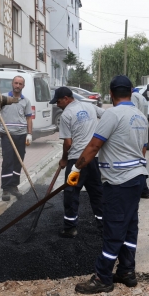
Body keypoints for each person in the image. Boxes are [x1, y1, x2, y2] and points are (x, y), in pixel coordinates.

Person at [68, 75, 148, 294]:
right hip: (138, 178)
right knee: (130, 226)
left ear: (111, 94)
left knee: (113, 228)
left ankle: (103, 278)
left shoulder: (112, 114)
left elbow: (94, 146)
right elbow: (143, 149)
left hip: (119, 181)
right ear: (130, 92)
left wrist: (76, 169)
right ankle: (126, 271)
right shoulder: (140, 116)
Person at [51, 87, 105, 238]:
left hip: (77, 162)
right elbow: (107, 116)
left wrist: (64, 159)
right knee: (96, 192)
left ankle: (70, 228)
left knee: (71, 193)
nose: (57, 104)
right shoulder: (89, 105)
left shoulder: (66, 115)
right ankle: (103, 226)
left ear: (67, 98)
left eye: (58, 101)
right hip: (93, 158)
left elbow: (68, 143)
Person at [0, 76, 33, 201]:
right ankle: (6, 188)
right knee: (8, 161)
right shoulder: (3, 98)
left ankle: (14, 186)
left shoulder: (26, 101)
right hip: (7, 134)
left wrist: (29, 133)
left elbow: (29, 118)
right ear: (12, 84)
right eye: (16, 83)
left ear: (23, 86)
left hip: (21, 134)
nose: (17, 85)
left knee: (19, 161)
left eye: (20, 84)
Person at [131, 88, 149, 199]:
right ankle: (144, 190)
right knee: (140, 160)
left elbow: (131, 113)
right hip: (143, 130)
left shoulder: (133, 97)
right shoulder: (142, 97)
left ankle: (143, 190)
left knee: (135, 162)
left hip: (136, 131)